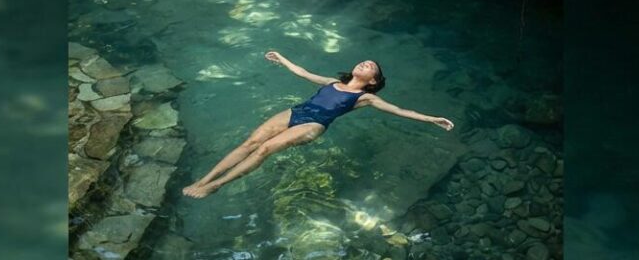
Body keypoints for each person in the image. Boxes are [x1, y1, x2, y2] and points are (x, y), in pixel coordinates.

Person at [181, 51, 455, 198]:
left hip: (314, 124)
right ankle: (204, 179)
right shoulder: (332, 82)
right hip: (297, 111)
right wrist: (282, 58)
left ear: (373, 81)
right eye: (364, 61)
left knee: (264, 150)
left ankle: (217, 185)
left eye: (371, 66)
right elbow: (303, 72)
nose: (365, 63)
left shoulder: (365, 97)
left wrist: (432, 119)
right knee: (250, 143)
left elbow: (398, 110)